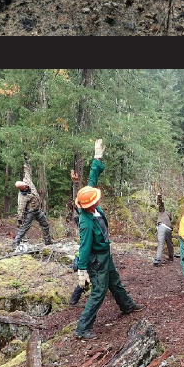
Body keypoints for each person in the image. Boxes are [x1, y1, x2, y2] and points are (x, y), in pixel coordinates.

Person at [70, 139, 142, 340]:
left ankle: (126, 306)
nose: (99, 198)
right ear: (90, 204)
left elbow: (91, 182)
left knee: (115, 281)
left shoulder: (90, 205)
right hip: (96, 259)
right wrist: (82, 270)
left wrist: (97, 158)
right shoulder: (85, 221)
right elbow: (84, 247)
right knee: (99, 291)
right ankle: (82, 328)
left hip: (105, 254)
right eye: (96, 199)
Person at [9, 165, 54, 249]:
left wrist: (26, 162)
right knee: (25, 227)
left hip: (38, 210)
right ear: (23, 188)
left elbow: (27, 172)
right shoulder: (22, 197)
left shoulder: (27, 181)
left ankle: (48, 241)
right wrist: (20, 219)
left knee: (45, 224)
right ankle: (15, 243)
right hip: (30, 212)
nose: (27, 186)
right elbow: (21, 208)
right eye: (25, 187)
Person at [153, 197, 173, 265]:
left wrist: (159, 197)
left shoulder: (162, 211)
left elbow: (161, 204)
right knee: (169, 243)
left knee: (161, 243)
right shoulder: (168, 217)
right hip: (169, 228)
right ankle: (171, 256)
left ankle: (158, 259)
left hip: (162, 226)